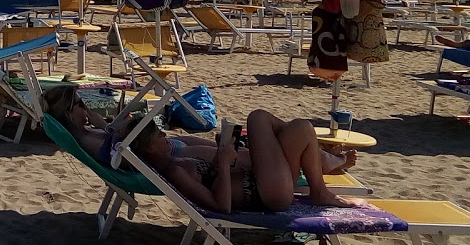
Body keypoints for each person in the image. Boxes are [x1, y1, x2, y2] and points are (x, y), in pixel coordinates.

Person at [43, 90, 353, 212]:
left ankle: (321, 172)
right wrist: (223, 160)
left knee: (295, 128)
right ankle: (321, 177)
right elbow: (222, 207)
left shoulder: (174, 163)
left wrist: (102, 122)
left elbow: (121, 146)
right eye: (79, 104)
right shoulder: (176, 169)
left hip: (263, 183)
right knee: (265, 119)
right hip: (265, 191)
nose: (85, 106)